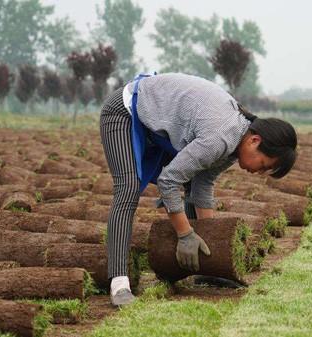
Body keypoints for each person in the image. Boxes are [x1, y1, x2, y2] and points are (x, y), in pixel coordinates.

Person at [100, 72, 297, 306]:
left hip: (155, 122)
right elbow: (169, 180)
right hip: (124, 111)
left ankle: (205, 270)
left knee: (192, 180)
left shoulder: (235, 143)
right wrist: (185, 235)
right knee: (128, 188)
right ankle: (119, 284)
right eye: (263, 164)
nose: (259, 172)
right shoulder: (221, 138)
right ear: (254, 141)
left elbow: (202, 184)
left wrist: (212, 244)